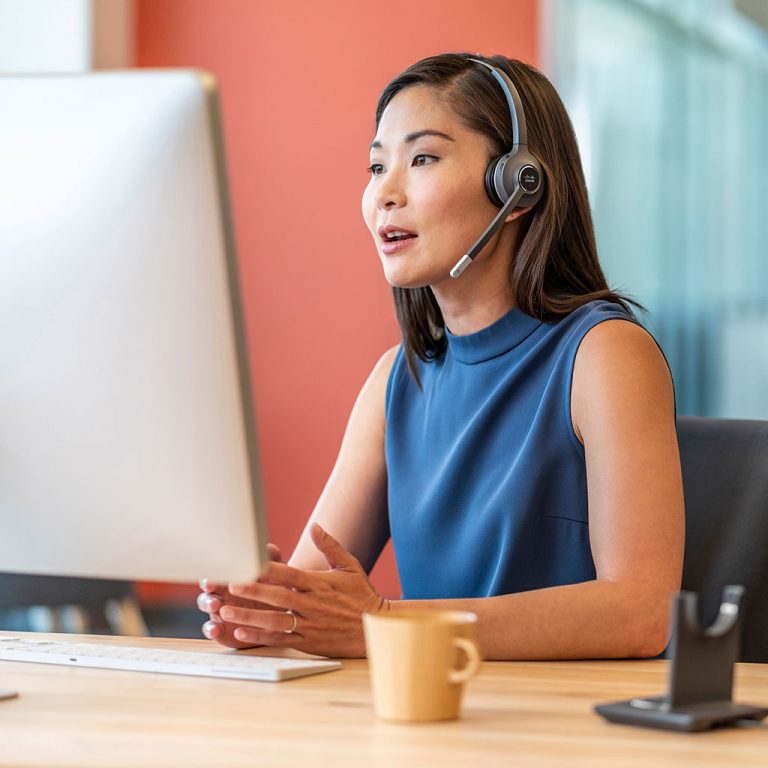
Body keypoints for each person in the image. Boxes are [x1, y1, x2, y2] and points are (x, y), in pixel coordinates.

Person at [197, 53, 684, 660]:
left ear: (518, 185)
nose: (385, 194)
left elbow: (642, 612)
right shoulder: (395, 381)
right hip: (431, 720)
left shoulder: (604, 354)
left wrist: (385, 624)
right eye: (377, 166)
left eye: (422, 158)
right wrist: (268, 605)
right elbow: (317, 598)